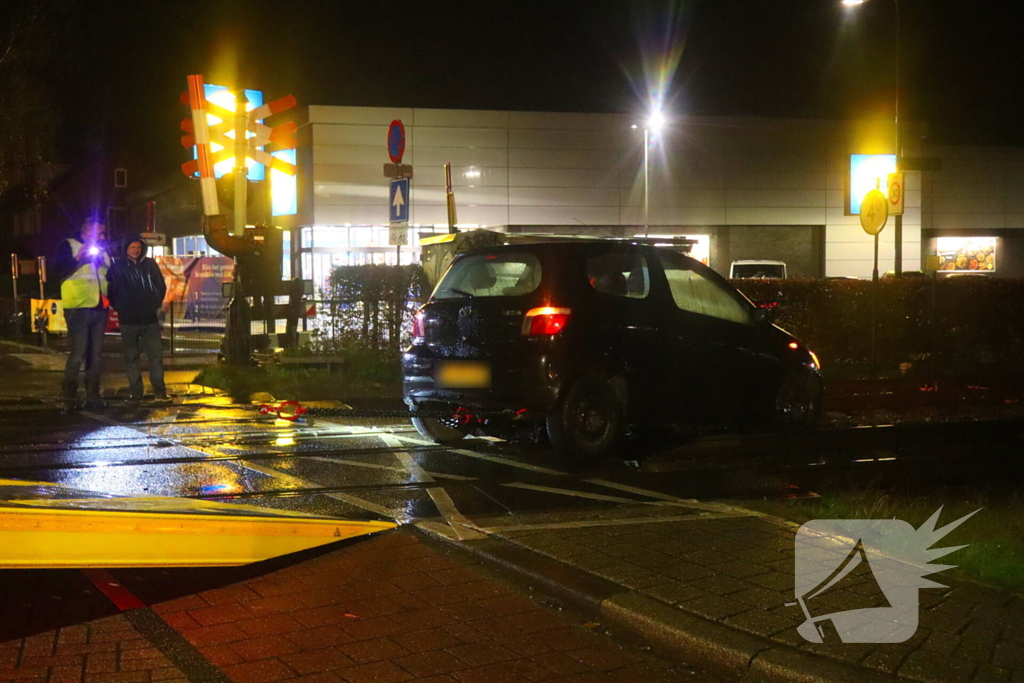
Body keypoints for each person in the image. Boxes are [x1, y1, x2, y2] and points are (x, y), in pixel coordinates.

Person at [52, 218, 112, 408]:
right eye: (100, 233)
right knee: (78, 353)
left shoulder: (102, 250)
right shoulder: (69, 245)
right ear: (88, 232)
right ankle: (69, 395)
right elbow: (56, 271)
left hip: (99, 307)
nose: (103, 237)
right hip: (77, 307)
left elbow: (110, 275)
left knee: (96, 355)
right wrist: (77, 258)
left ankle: (93, 394)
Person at [107, 233, 168, 400]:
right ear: (126, 248)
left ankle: (159, 392)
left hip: (149, 319)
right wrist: (121, 308)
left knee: (155, 357)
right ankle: (136, 393)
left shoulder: (150, 264)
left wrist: (154, 305)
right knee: (132, 358)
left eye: (138, 247)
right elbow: (111, 291)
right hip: (128, 320)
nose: (136, 250)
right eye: (132, 247)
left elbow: (160, 286)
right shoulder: (117, 266)